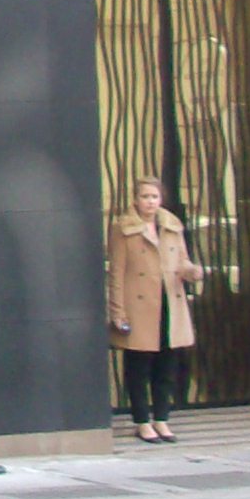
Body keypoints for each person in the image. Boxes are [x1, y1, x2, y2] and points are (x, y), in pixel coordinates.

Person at [107, 175, 204, 443]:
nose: (150, 202)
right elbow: (116, 273)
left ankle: (162, 418)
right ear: (135, 200)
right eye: (145, 197)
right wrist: (118, 312)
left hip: (170, 303)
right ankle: (142, 421)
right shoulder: (123, 228)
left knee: (167, 366)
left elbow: (182, 261)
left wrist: (191, 271)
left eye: (154, 197)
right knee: (139, 368)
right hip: (139, 307)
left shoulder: (172, 225)